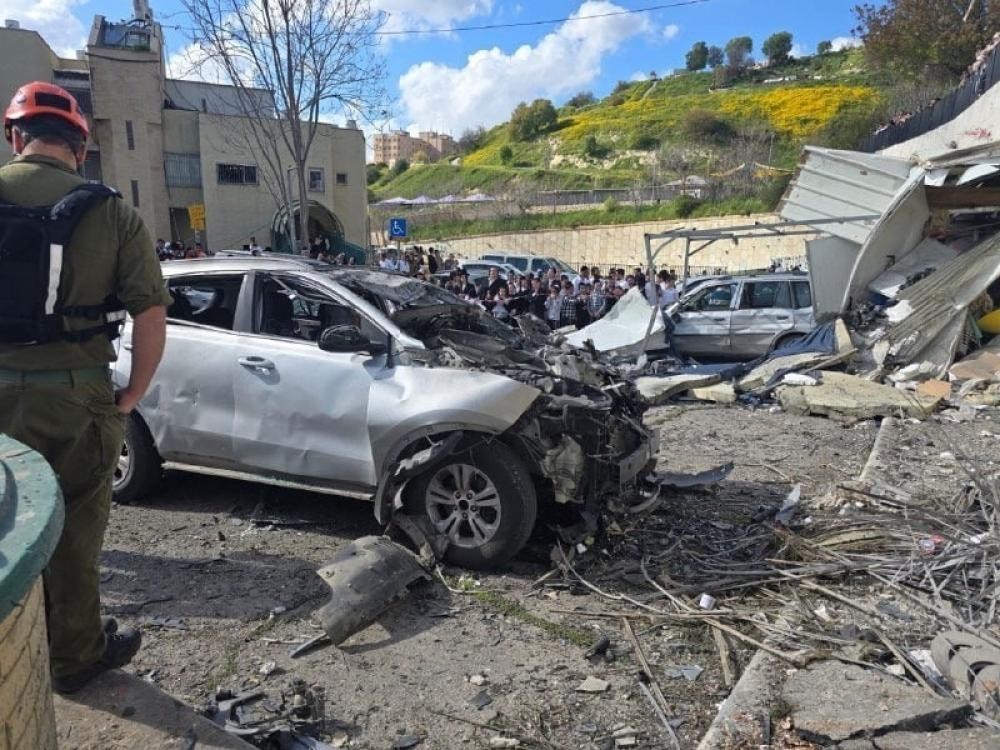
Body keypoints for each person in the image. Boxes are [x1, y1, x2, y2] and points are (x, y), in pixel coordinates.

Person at [0, 81, 170, 693]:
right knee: (73, 533)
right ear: (79, 148)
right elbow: (151, 314)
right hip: (77, 399)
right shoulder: (114, 213)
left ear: (15, 137)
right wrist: (133, 396)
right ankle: (73, 658)